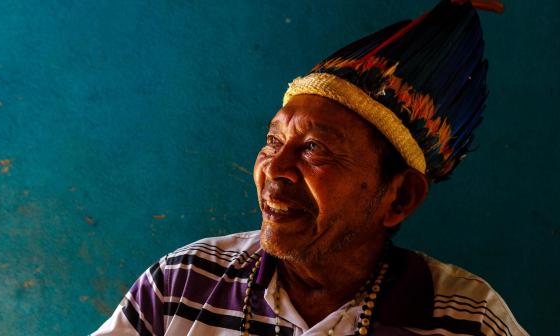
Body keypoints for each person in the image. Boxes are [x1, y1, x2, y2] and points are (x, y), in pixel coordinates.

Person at [92, 0, 528, 335]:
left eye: (315, 148)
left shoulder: (469, 321)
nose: (274, 169)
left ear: (399, 197)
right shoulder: (182, 285)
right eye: (273, 141)